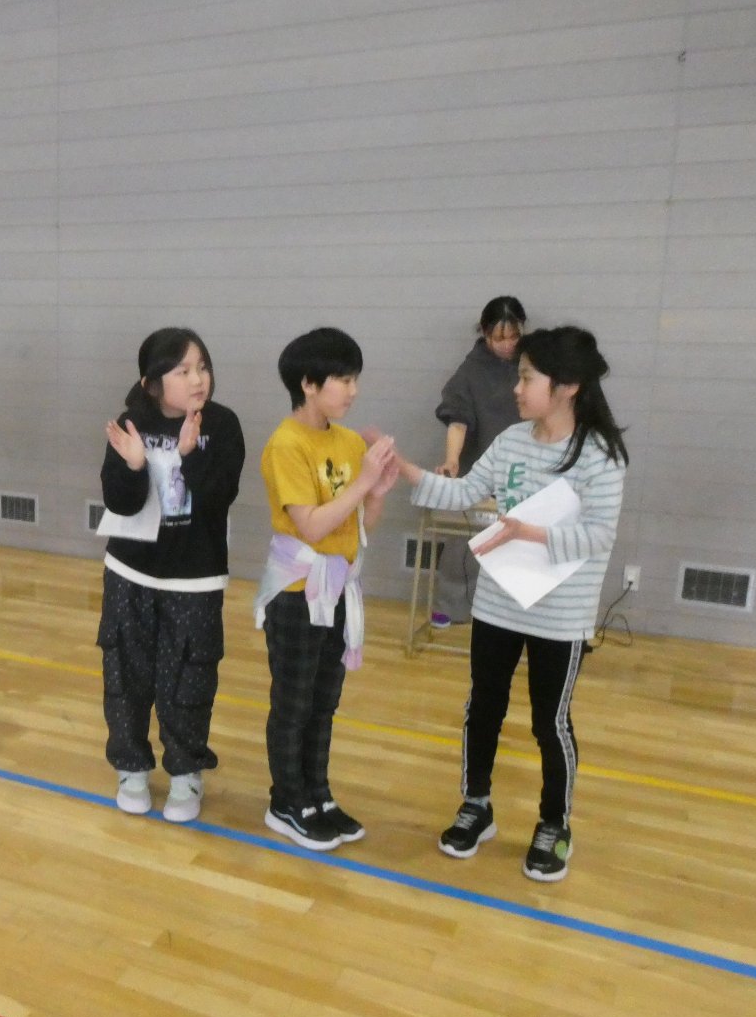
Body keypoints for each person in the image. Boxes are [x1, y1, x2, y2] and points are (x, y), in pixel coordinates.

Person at [396, 326, 627, 881]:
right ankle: (476, 804)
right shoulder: (512, 441)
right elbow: (463, 490)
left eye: (527, 378)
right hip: (499, 603)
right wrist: (404, 471)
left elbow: (599, 534)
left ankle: (555, 823)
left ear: (566, 386)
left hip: (561, 616)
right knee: (484, 706)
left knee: (551, 722)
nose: (516, 389)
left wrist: (532, 533)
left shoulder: (599, 456)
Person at [254, 328, 397, 851]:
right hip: (297, 591)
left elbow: (359, 526)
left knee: (324, 700)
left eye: (355, 379)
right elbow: (311, 526)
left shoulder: (349, 442)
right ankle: (286, 800)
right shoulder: (286, 444)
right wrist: (362, 482)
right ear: (308, 384)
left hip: (338, 590)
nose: (352, 390)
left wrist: (377, 491)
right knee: (293, 702)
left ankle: (317, 793)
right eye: (342, 379)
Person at [98, 328, 245, 823]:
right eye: (182, 370)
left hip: (194, 580)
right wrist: (134, 465)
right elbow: (120, 503)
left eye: (202, 367)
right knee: (127, 676)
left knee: (188, 680)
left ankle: (185, 772)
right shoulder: (131, 423)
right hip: (130, 573)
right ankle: (131, 767)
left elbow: (220, 497)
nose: (197, 379)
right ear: (152, 382)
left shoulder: (222, 425)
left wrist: (190, 454)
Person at [430, 296, 526, 628]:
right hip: (480, 465)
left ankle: (512, 615)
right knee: (463, 540)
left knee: (521, 543)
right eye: (499, 338)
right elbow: (457, 420)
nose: (507, 344)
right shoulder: (470, 371)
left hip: (524, 468)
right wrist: (452, 460)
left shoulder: (532, 364)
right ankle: (450, 604)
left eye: (513, 336)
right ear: (484, 333)